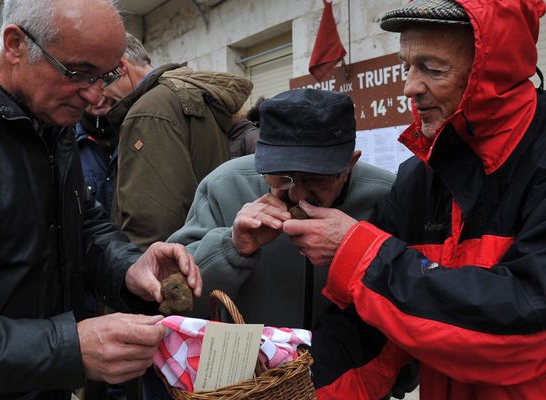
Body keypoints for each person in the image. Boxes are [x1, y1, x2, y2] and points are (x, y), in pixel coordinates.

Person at [0, 1, 202, 399]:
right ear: (14, 45)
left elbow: (81, 222)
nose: (95, 95)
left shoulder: (50, 115)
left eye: (107, 75)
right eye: (80, 73)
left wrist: (130, 267)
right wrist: (68, 347)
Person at [302, 0, 546, 399]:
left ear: (494, 70)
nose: (409, 87)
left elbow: (526, 330)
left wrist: (361, 255)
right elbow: (373, 330)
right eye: (406, 67)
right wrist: (304, 386)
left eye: (433, 69)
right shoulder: (418, 176)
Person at [167, 88, 396, 389]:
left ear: (349, 163)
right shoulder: (225, 186)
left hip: (352, 388)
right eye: (282, 177)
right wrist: (233, 248)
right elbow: (175, 304)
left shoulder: (387, 195)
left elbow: (407, 302)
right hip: (245, 389)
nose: (298, 194)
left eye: (316, 178)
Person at [104, 41, 253, 250]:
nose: (95, 93)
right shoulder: (191, 94)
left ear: (121, 68)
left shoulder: (149, 111)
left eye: (99, 79)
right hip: (207, 251)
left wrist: (139, 271)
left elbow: (152, 225)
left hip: (170, 265)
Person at [75, 95, 118, 216]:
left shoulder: (136, 136)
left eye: (106, 92)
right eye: (95, 93)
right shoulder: (67, 144)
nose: (100, 101)